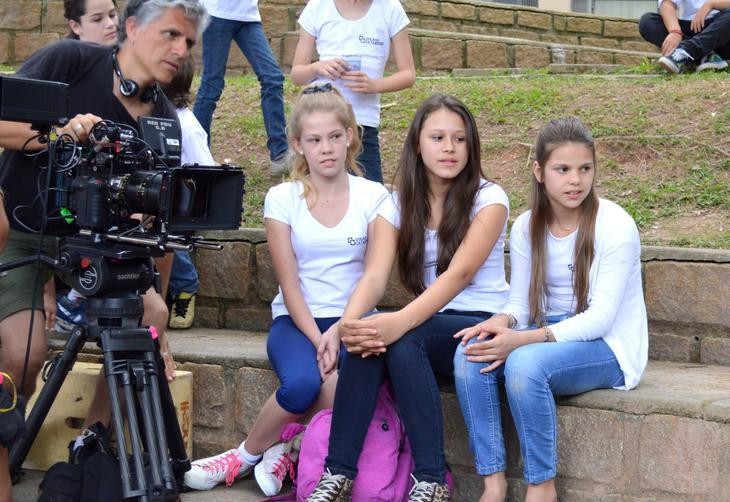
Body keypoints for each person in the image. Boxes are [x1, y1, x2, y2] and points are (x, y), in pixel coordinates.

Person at [0, 0, 207, 498]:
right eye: (171, 35)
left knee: (145, 322)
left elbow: (158, 227)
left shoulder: (165, 120)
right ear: (131, 28)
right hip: (25, 227)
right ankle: (7, 441)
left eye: (188, 42)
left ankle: (89, 443)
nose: (180, 50)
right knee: (26, 353)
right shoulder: (71, 60)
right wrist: (60, 136)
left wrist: (157, 308)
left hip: (102, 245)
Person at [183, 84, 392, 497]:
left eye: (335, 136)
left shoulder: (375, 196)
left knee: (342, 383)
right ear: (298, 144)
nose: (326, 148)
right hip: (297, 321)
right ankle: (245, 455)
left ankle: (286, 443)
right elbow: (289, 283)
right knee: (301, 385)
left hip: (355, 320)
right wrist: (318, 338)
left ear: (350, 135)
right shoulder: (282, 198)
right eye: (314, 140)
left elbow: (375, 278)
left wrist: (340, 330)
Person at [306, 94, 510, 502]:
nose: (449, 148)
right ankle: (337, 475)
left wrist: (398, 322)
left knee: (402, 339)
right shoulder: (397, 203)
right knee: (370, 335)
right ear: (418, 143)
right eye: (438, 138)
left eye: (460, 139)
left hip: (481, 322)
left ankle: (431, 480)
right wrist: (348, 325)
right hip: (430, 322)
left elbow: (459, 275)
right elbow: (375, 275)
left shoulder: (489, 199)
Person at [453, 117, 649, 502]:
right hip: (551, 331)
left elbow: (601, 319)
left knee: (525, 365)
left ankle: (542, 487)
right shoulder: (527, 226)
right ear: (539, 172)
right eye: (563, 170)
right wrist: (501, 322)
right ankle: (493, 484)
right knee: (469, 353)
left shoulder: (615, 225)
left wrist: (521, 340)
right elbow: (521, 304)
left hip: (608, 346)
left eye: (585, 169)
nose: (575, 180)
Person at [291, 0, 416, 183]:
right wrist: (318, 67)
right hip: (321, 123)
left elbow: (408, 74)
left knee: (371, 194)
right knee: (318, 192)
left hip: (363, 125)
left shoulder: (390, 7)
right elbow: (297, 74)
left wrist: (373, 86)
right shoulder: (318, 6)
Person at [192, 0, 290, 175]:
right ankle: (197, 157)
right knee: (211, 86)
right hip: (217, 14)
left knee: (272, 78)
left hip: (248, 16)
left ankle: (280, 155)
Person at [164, 55, 213, 329]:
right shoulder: (149, 117)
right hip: (152, 198)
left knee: (168, 235)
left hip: (181, 206)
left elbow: (205, 170)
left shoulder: (187, 125)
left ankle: (185, 286)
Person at [638, 0, 730, 73]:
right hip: (689, 29)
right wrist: (675, 31)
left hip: (721, 29)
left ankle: (685, 52)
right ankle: (705, 57)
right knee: (647, 21)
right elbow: (667, 3)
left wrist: (711, 4)